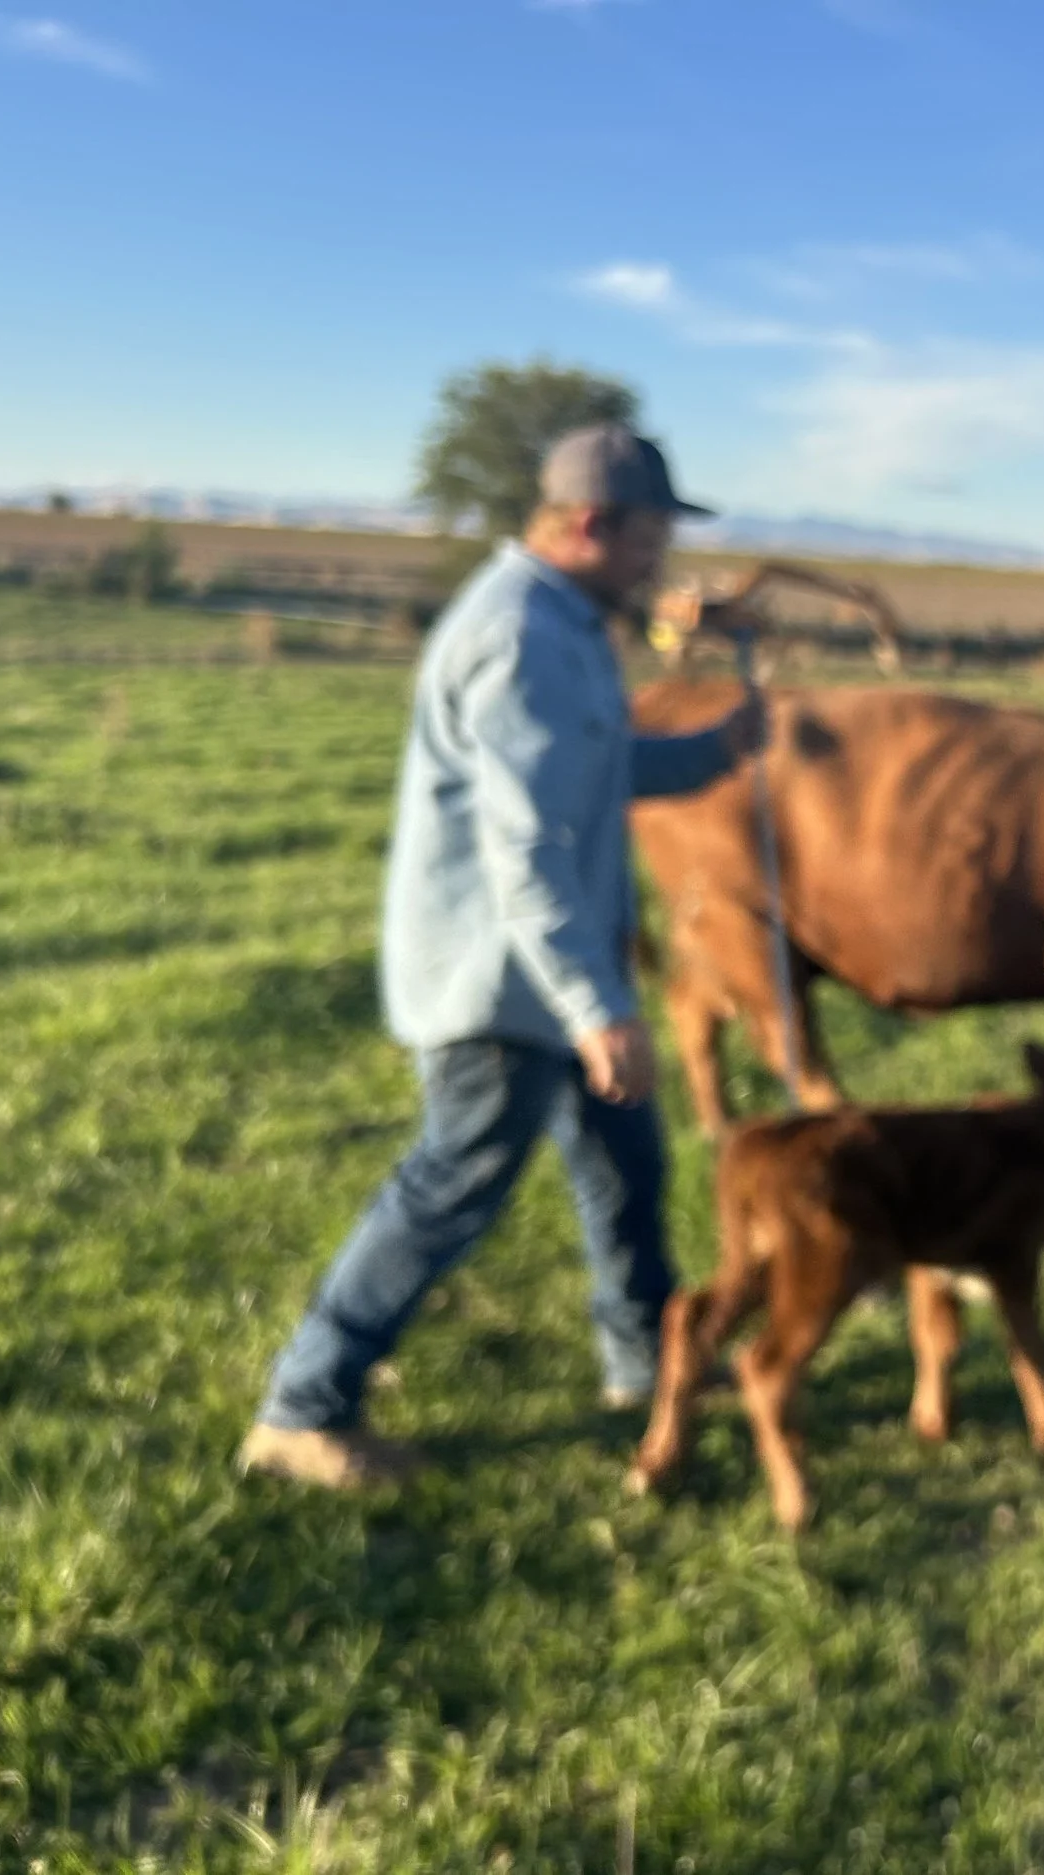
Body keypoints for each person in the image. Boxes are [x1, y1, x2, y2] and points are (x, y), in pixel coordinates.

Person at [238, 424, 766, 1489]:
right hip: (504, 979)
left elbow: (594, 772)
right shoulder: (522, 635)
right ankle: (304, 1406)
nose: (661, 565)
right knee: (453, 1182)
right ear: (588, 525)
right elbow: (524, 843)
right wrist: (594, 1008)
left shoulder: (567, 624)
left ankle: (644, 1363)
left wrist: (718, 747)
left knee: (628, 1166)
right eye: (651, 540)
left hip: (558, 969)